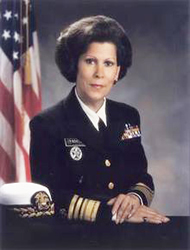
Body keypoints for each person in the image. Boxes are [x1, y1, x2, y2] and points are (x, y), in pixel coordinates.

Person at [30, 15, 169, 224]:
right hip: (73, 237)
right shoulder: (47, 124)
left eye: (108, 63)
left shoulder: (127, 116)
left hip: (126, 236)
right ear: (74, 65)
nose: (99, 73)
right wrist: (112, 213)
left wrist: (134, 198)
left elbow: (141, 177)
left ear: (117, 72)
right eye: (90, 61)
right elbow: (48, 197)